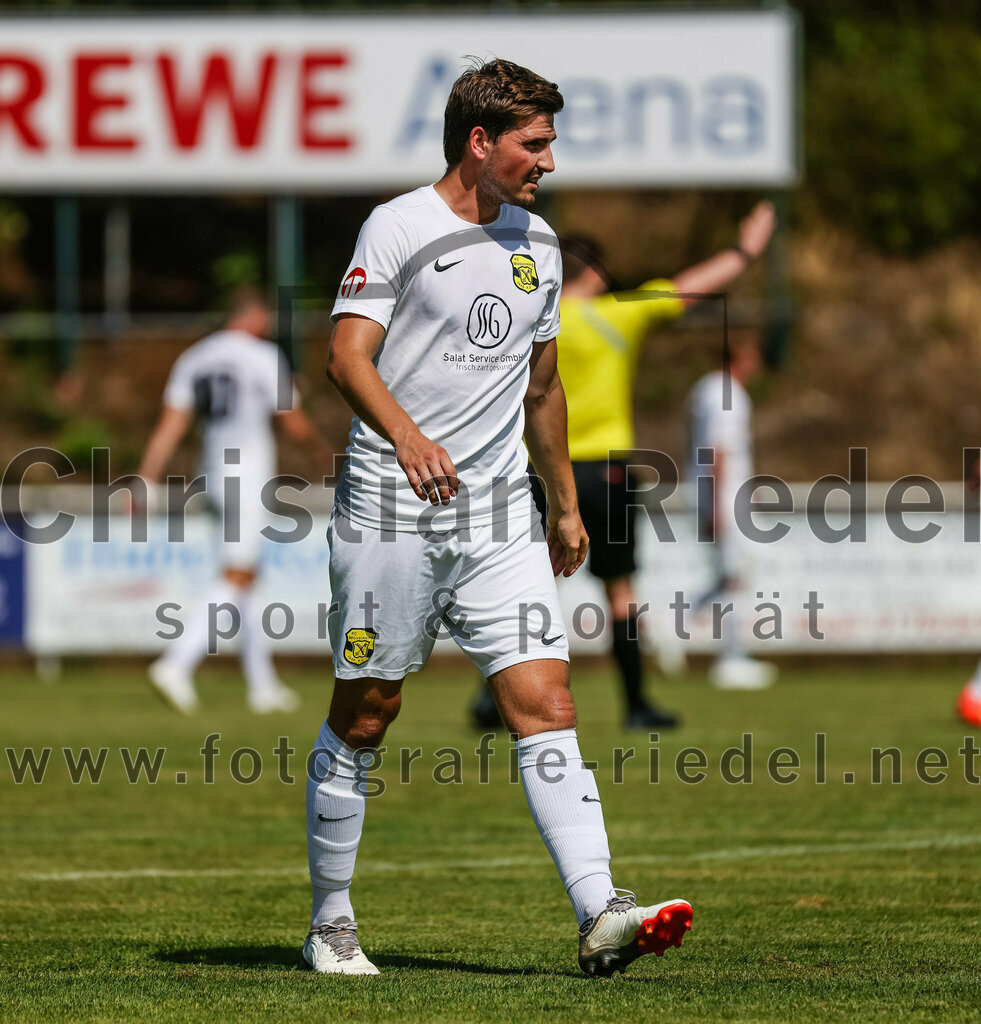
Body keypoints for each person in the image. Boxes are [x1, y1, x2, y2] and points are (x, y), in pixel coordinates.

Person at [303, 59, 692, 979]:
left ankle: (600, 909)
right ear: (480, 142)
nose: (548, 160)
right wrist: (405, 437)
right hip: (392, 511)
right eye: (534, 142)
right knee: (366, 715)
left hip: (496, 520)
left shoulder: (540, 243)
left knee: (545, 704)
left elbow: (543, 386)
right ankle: (330, 924)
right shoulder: (398, 225)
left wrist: (561, 503)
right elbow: (344, 358)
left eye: (550, 141)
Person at [472, 203, 777, 729]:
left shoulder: (531, 321)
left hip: (543, 468)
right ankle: (636, 705)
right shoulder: (618, 315)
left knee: (534, 586)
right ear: (596, 272)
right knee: (620, 592)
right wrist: (744, 251)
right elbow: (688, 287)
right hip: (608, 471)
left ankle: (492, 700)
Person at [137, 288, 329, 714]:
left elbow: (172, 424)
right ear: (255, 317)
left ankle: (262, 686)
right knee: (237, 575)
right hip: (247, 475)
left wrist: (147, 475)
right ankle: (177, 663)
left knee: (248, 580)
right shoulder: (262, 356)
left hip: (212, 475)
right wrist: (324, 450)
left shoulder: (196, 357)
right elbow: (292, 420)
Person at [688, 335, 777, 689]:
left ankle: (673, 624)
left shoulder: (707, 389)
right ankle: (731, 657)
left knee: (730, 576)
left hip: (719, 495)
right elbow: (718, 452)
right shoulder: (727, 394)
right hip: (725, 497)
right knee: (736, 576)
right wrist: (718, 505)